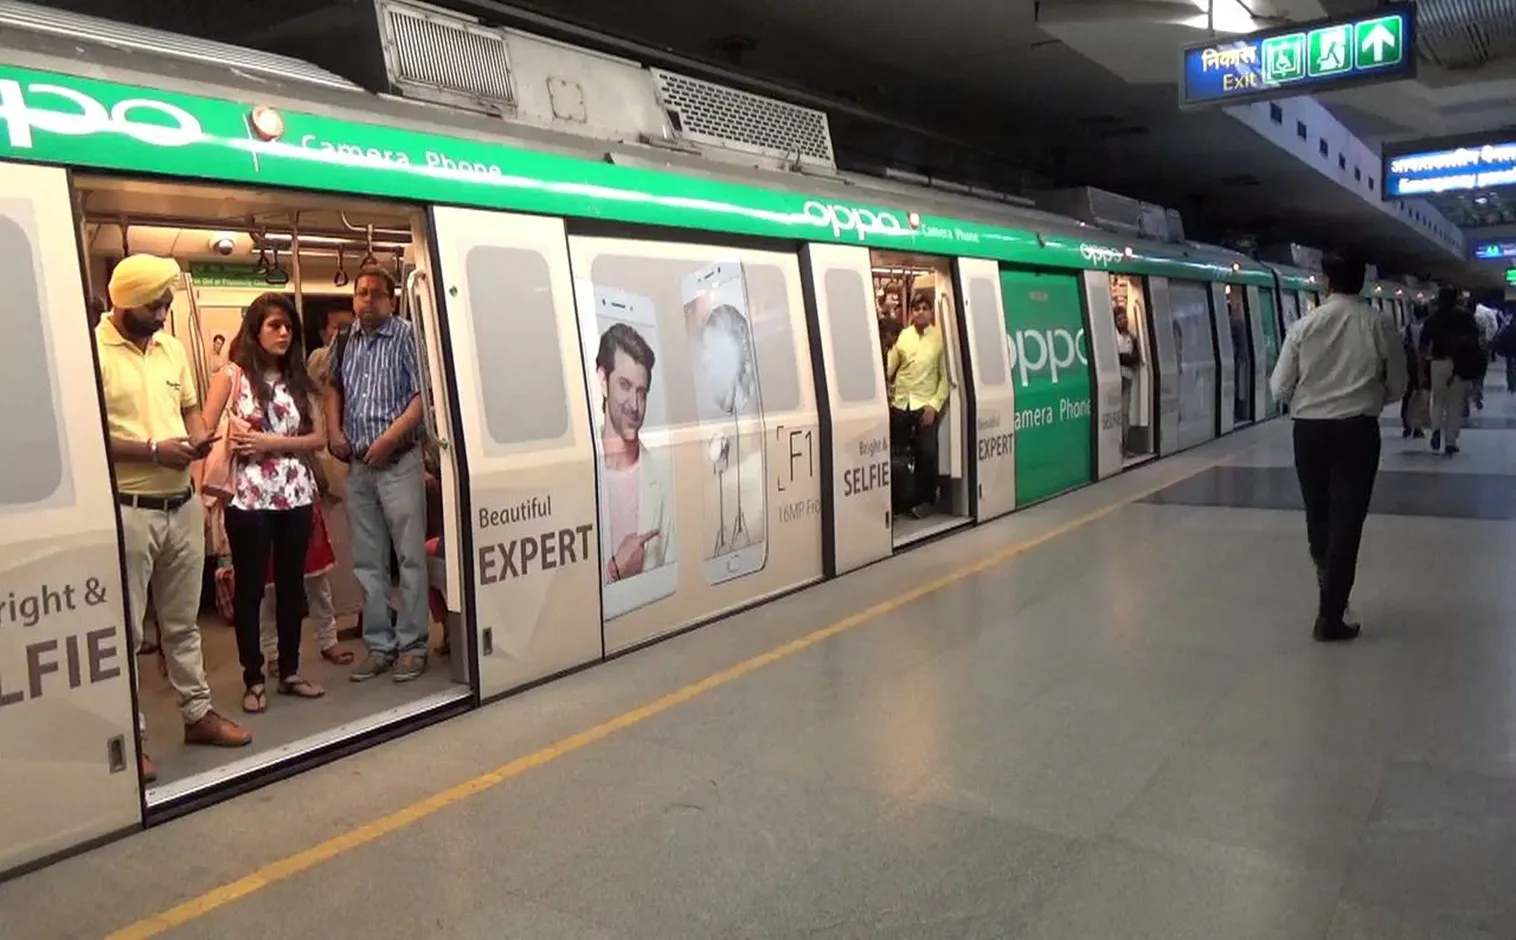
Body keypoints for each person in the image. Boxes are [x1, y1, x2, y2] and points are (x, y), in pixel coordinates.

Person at [95, 254, 252, 782]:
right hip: (127, 509)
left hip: (179, 504)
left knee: (183, 624)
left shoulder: (171, 347)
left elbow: (189, 408)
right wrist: (150, 450)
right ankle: (131, 737)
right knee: (127, 632)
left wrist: (196, 439)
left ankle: (197, 714)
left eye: (167, 302)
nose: (165, 312)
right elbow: (89, 433)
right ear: (126, 302)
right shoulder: (91, 351)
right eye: (156, 305)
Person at [1270, 250, 1406, 643]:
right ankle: (1330, 614)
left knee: (1319, 513)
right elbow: (1398, 384)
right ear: (1361, 283)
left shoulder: (1303, 326)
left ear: (1325, 281)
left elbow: (1279, 387)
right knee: (1348, 521)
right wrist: (1371, 397)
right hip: (1357, 433)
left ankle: (1326, 584)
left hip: (1309, 432)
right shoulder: (1378, 324)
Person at [202, 293, 327, 713]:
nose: (284, 333)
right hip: (248, 497)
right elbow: (202, 431)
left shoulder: (298, 380)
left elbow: (318, 439)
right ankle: (253, 677)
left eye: (289, 326)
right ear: (255, 330)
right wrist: (228, 433)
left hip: (294, 493)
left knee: (292, 587)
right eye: (274, 325)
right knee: (251, 590)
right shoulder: (231, 376)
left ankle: (289, 670)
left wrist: (269, 441)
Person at [326, 267, 430, 682]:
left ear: (391, 299)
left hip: (398, 462)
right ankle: (380, 644)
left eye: (376, 294)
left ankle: (414, 644)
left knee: (409, 556)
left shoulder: (405, 335)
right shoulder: (345, 338)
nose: (367, 300)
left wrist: (389, 439)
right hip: (358, 468)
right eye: (361, 293)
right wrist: (333, 430)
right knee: (368, 562)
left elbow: (424, 394)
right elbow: (333, 387)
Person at [593, 322, 674, 584]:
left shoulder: (664, 481)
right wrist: (614, 570)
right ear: (603, 382)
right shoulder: (574, 472)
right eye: (625, 386)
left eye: (642, 392)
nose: (635, 406)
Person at [887, 292, 950, 519]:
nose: (921, 312)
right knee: (898, 456)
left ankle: (925, 500)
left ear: (931, 312)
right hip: (901, 404)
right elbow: (891, 367)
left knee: (927, 455)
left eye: (925, 308)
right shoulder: (904, 337)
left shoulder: (940, 340)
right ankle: (900, 501)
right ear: (912, 312)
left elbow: (945, 378)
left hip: (924, 406)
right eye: (917, 308)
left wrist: (934, 406)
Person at [1419, 288, 1482, 456]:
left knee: (1437, 400)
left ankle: (1436, 429)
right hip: (1460, 365)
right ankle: (1450, 442)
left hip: (1438, 363)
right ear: (1457, 299)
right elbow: (1475, 341)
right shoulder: (1466, 317)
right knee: (1455, 405)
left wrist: (1428, 360)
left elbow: (1423, 345)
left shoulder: (1433, 318)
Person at [1114, 304, 1141, 454]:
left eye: (1124, 318)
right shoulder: (1112, 337)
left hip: (1127, 378)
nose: (1123, 321)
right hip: (1116, 379)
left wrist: (1124, 358)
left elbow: (1135, 358)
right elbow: (1115, 357)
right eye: (1119, 319)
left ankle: (1125, 446)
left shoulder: (1132, 338)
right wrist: (1126, 358)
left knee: (1125, 414)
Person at [1400, 304, 1429, 439]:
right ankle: (1418, 427)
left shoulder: (1405, 329)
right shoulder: (1428, 330)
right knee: (1421, 397)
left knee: (1407, 396)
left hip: (1408, 366)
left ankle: (1407, 425)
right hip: (1424, 366)